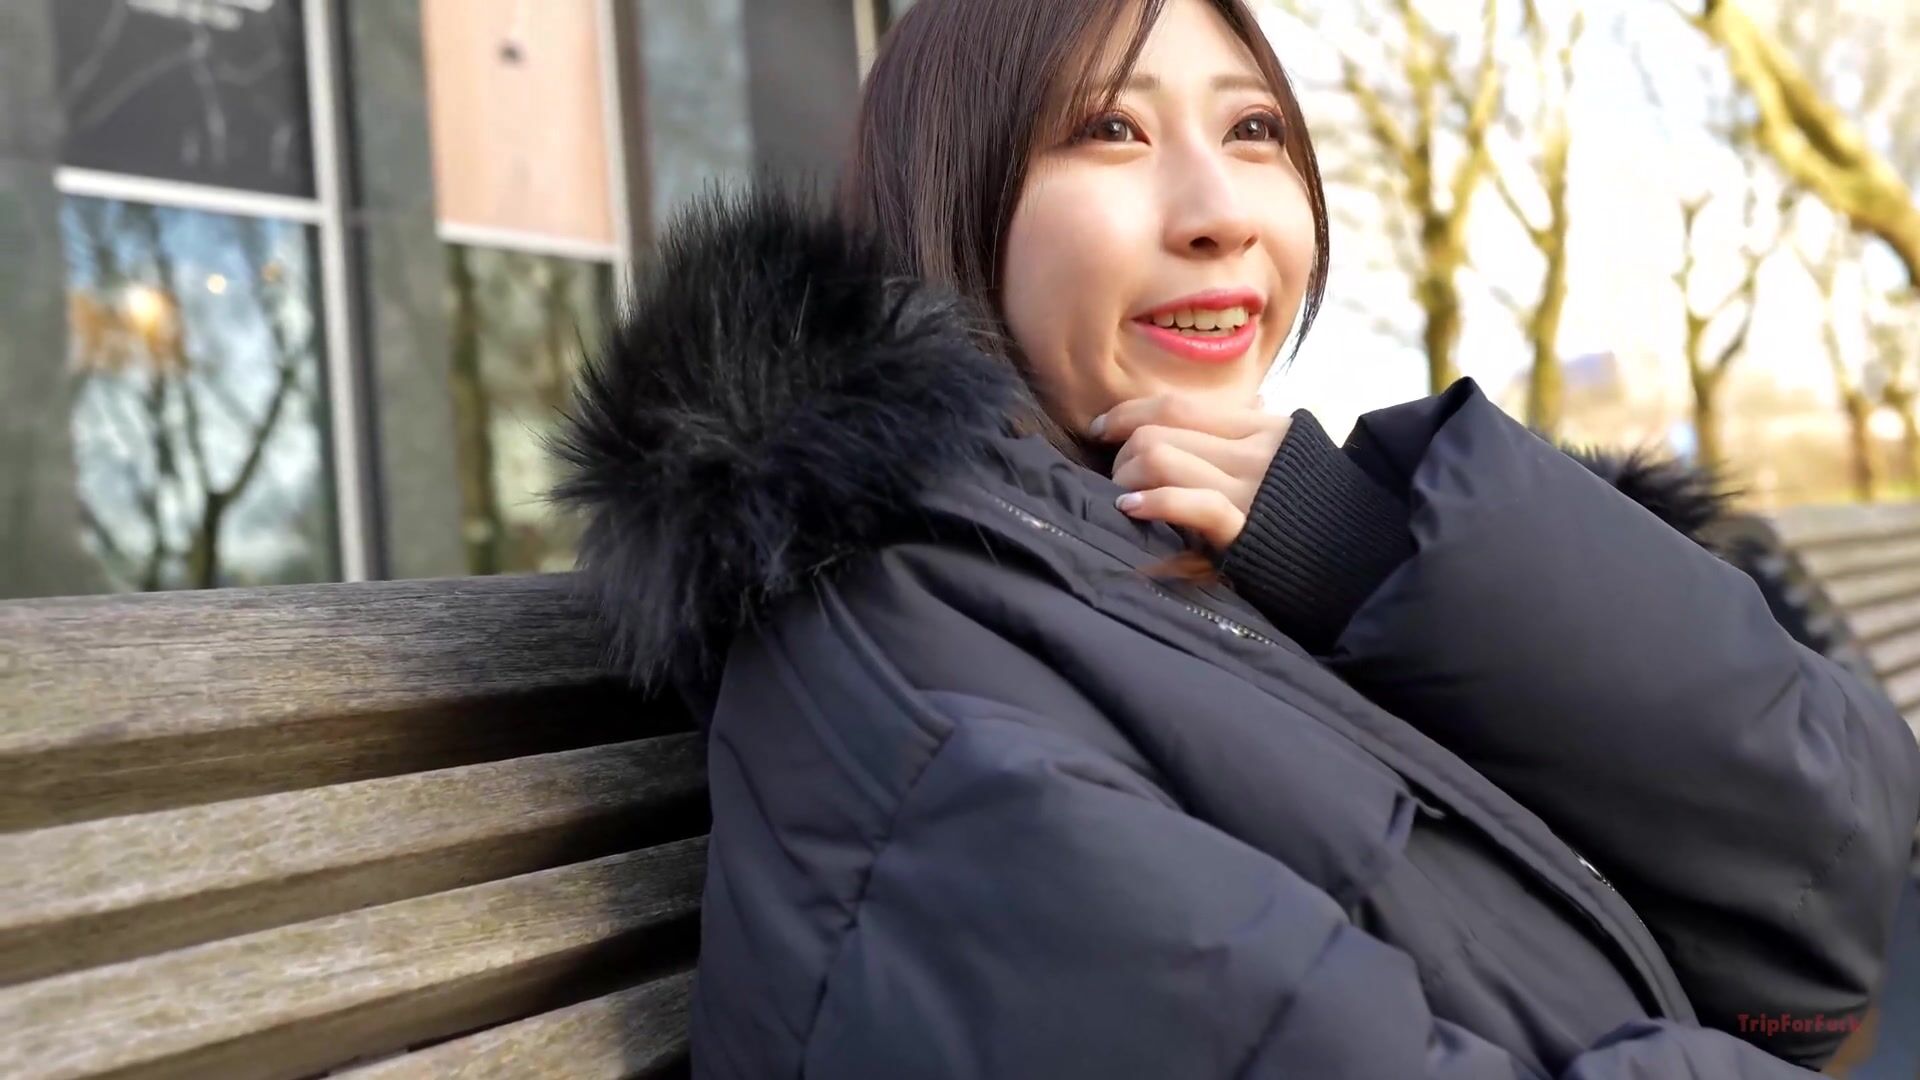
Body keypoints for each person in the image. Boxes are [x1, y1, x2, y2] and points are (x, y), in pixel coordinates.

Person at [550, 0, 1920, 1075]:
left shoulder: (1229, 564)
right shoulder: (908, 674)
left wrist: (1378, 563)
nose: (1221, 214)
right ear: (952, 203)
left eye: (1255, 129)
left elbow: (1825, 905)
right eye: (1111, 129)